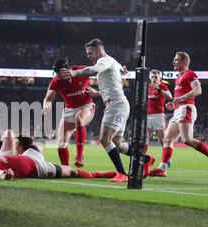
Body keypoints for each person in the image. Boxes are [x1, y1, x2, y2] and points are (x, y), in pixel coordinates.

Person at [59, 39, 155, 182]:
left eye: (90, 53)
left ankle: (122, 173)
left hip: (116, 105)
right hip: (116, 104)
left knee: (104, 139)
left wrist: (75, 73)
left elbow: (94, 70)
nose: (88, 56)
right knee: (118, 144)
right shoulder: (113, 62)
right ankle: (146, 158)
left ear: (99, 50)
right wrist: (98, 93)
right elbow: (114, 80)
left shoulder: (104, 61)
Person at [150, 52, 208, 177]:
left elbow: (198, 90)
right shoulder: (178, 77)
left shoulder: (189, 74)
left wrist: (181, 99)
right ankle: (162, 168)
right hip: (178, 110)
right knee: (167, 139)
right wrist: (173, 104)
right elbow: (178, 98)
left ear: (184, 62)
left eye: (176, 60)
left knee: (187, 140)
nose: (173, 62)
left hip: (186, 109)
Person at [0, 129, 117, 181]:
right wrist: (6, 175)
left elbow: (8, 134)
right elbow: (0, 174)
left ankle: (26, 146)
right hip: (37, 167)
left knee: (11, 134)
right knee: (72, 171)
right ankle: (100, 174)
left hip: (28, 156)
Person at [42, 59, 95, 168]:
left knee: (79, 120)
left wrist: (118, 70)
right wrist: (46, 107)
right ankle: (65, 169)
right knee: (61, 145)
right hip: (69, 110)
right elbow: (48, 98)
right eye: (57, 74)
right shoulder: (56, 81)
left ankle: (79, 156)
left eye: (60, 73)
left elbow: (100, 69)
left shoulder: (81, 71)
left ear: (67, 69)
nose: (58, 76)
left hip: (86, 106)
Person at [146, 70, 173, 169]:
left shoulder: (162, 86)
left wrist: (159, 90)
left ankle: (167, 158)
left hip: (158, 115)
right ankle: (142, 162)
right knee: (145, 139)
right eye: (152, 77)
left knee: (163, 140)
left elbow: (170, 97)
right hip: (147, 115)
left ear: (160, 78)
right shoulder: (147, 86)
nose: (153, 79)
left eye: (156, 77)